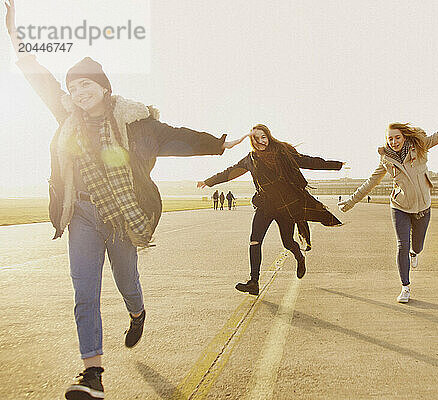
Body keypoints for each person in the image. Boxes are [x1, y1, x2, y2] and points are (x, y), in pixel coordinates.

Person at [4, 2, 247, 398]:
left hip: (122, 215)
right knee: (84, 290)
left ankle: (137, 312)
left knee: (126, 280)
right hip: (80, 212)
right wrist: (15, 35)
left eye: (87, 84)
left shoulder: (137, 123)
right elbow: (39, 77)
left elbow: (176, 136)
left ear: (104, 87)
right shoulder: (65, 114)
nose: (79, 92)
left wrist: (219, 144)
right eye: (74, 86)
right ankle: (92, 373)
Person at [338, 94, 438, 303]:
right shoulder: (386, 161)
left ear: (404, 137)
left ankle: (415, 253)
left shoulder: (421, 146)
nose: (394, 141)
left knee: (416, 246)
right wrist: (351, 200)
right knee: (401, 244)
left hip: (423, 207)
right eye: (390, 138)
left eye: (397, 137)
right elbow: (370, 182)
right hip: (399, 206)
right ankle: (405, 287)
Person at [198, 124, 344, 295]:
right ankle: (254, 282)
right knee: (255, 241)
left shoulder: (283, 152)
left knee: (288, 242)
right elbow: (229, 172)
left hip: (285, 206)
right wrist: (208, 181)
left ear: (269, 136)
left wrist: (335, 165)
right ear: (252, 141)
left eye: (263, 137)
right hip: (265, 206)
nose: (261, 141)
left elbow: (307, 161)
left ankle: (299, 257)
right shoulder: (250, 159)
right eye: (256, 138)